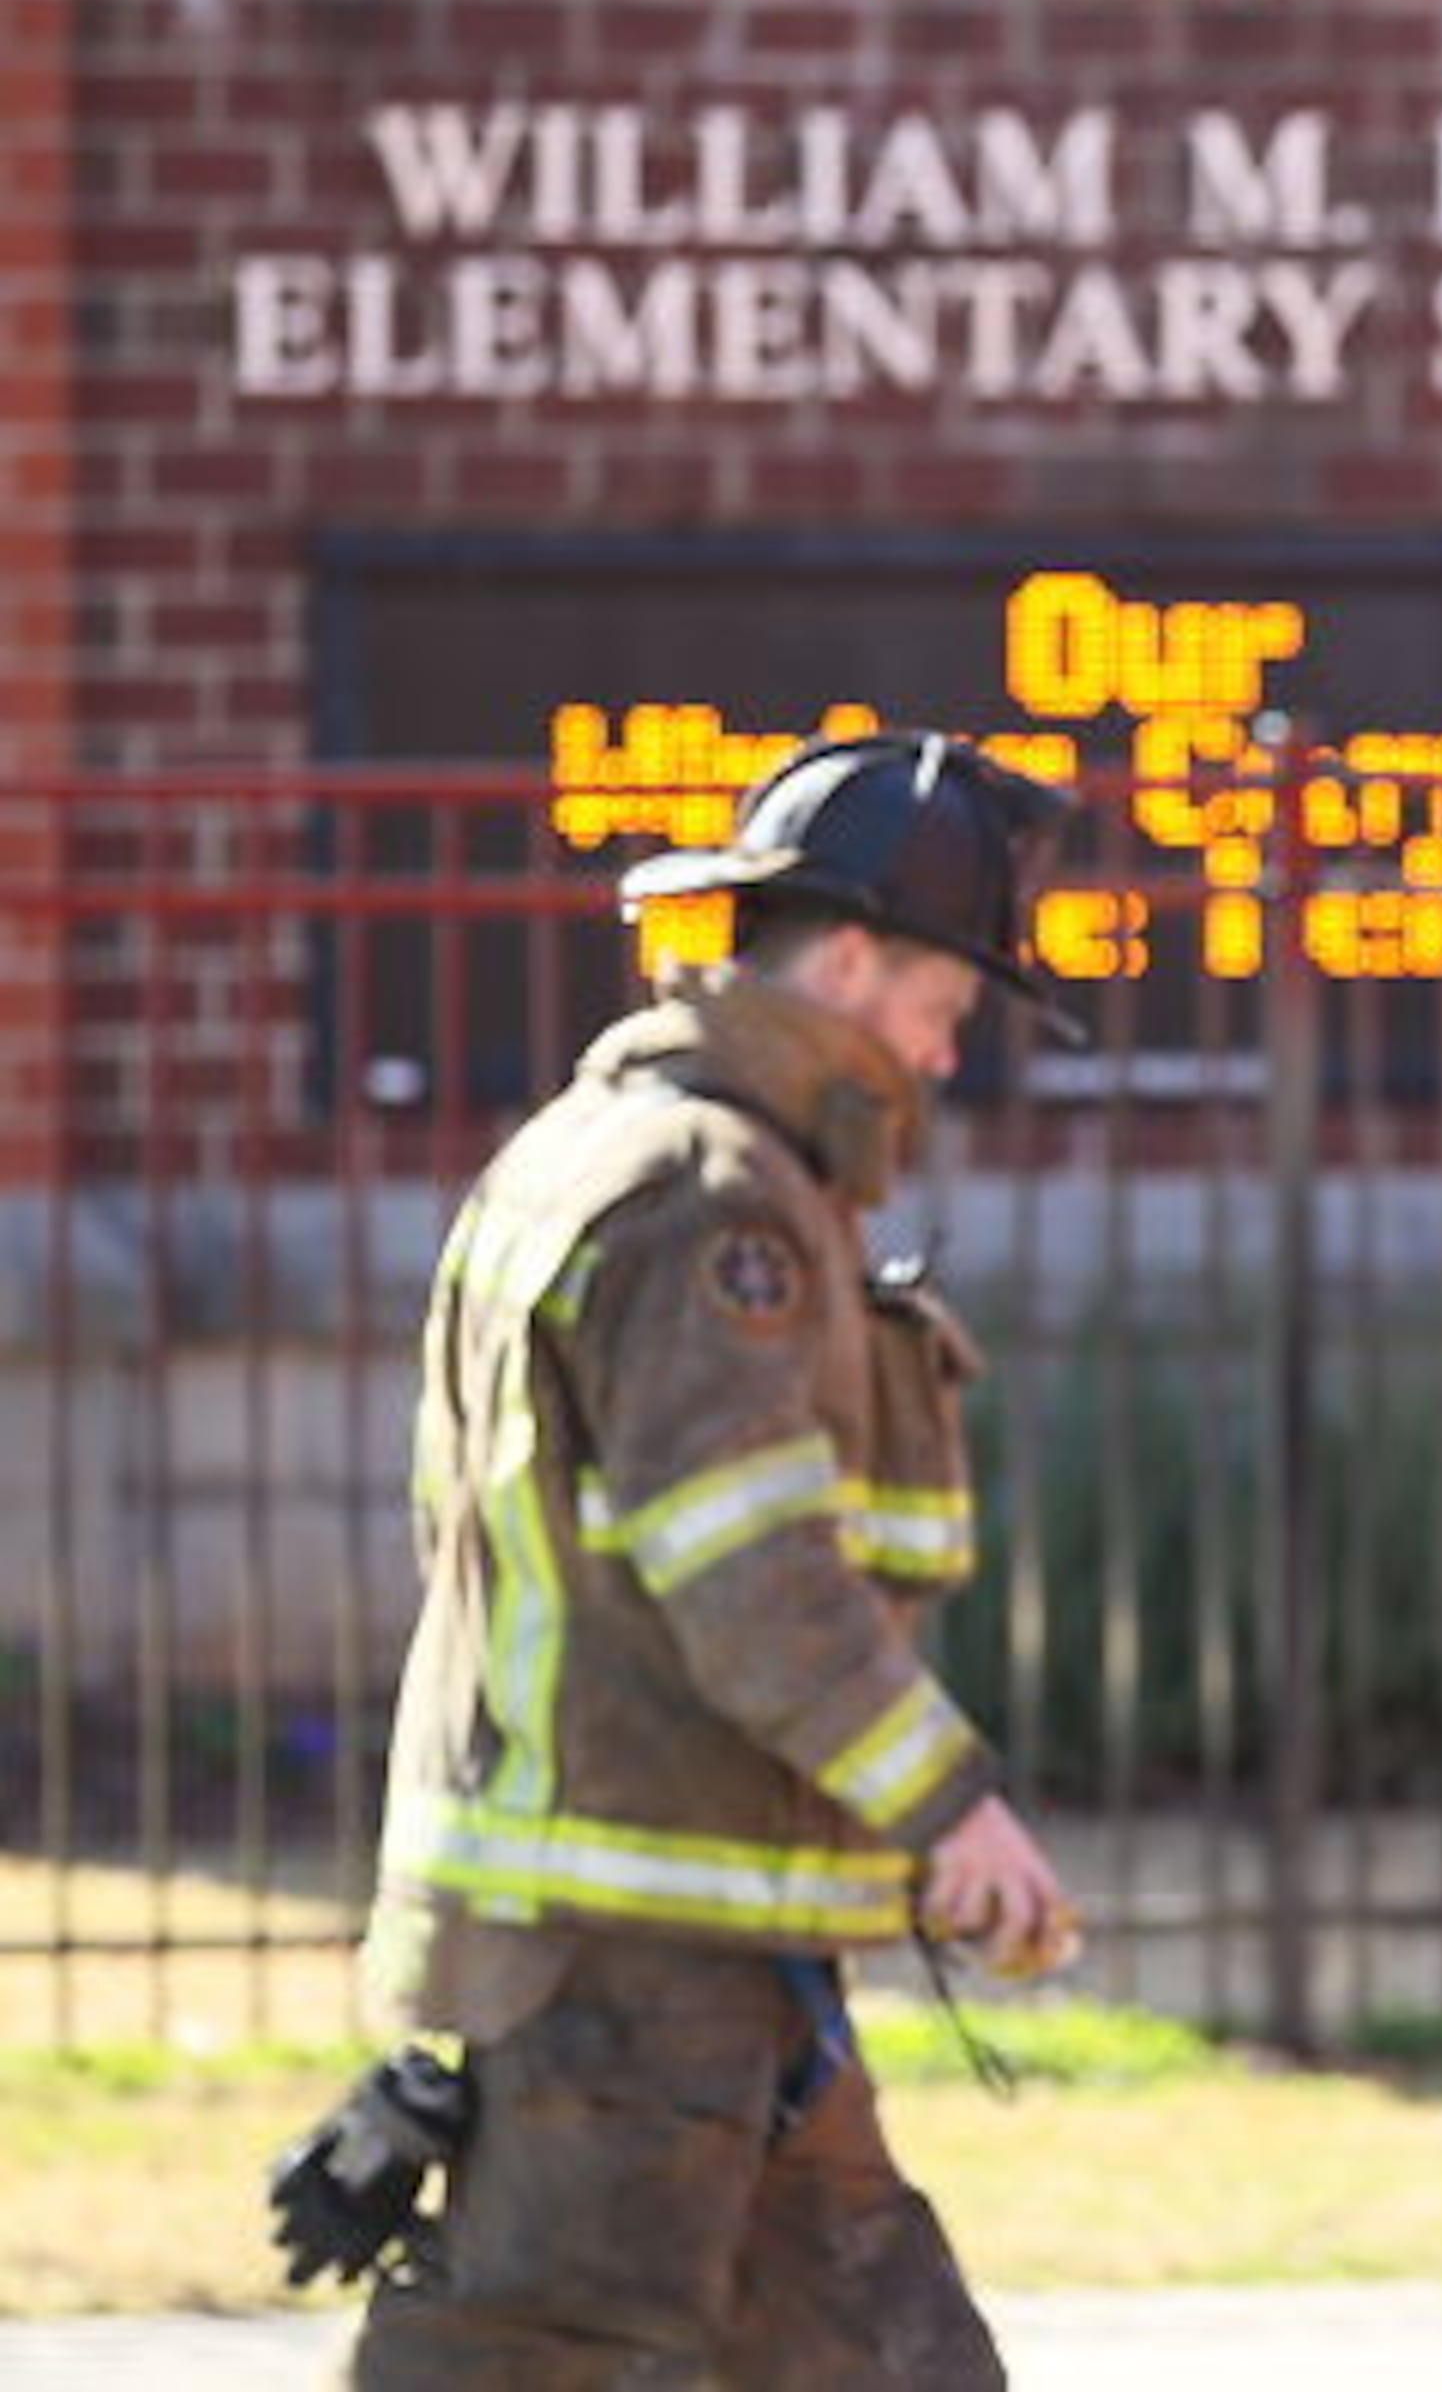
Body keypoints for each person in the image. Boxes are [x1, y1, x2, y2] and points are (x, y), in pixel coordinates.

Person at [347, 731, 1083, 2390]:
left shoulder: (628, 1149)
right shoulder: (712, 1204)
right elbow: (753, 1580)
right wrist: (951, 1802)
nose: (944, 1059)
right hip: (628, 1966)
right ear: (844, 962)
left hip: (703, 1963)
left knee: (895, 2361)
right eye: (943, 1012)